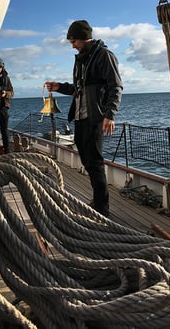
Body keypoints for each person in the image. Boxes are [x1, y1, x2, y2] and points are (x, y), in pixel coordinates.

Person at [46, 20, 123, 217]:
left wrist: (109, 114)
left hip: (95, 117)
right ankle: (97, 201)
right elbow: (78, 89)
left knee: (95, 162)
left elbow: (115, 86)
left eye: (73, 41)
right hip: (80, 117)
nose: (72, 45)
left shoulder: (104, 56)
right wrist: (59, 87)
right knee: (87, 161)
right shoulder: (82, 58)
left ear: (82, 38)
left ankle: (102, 208)